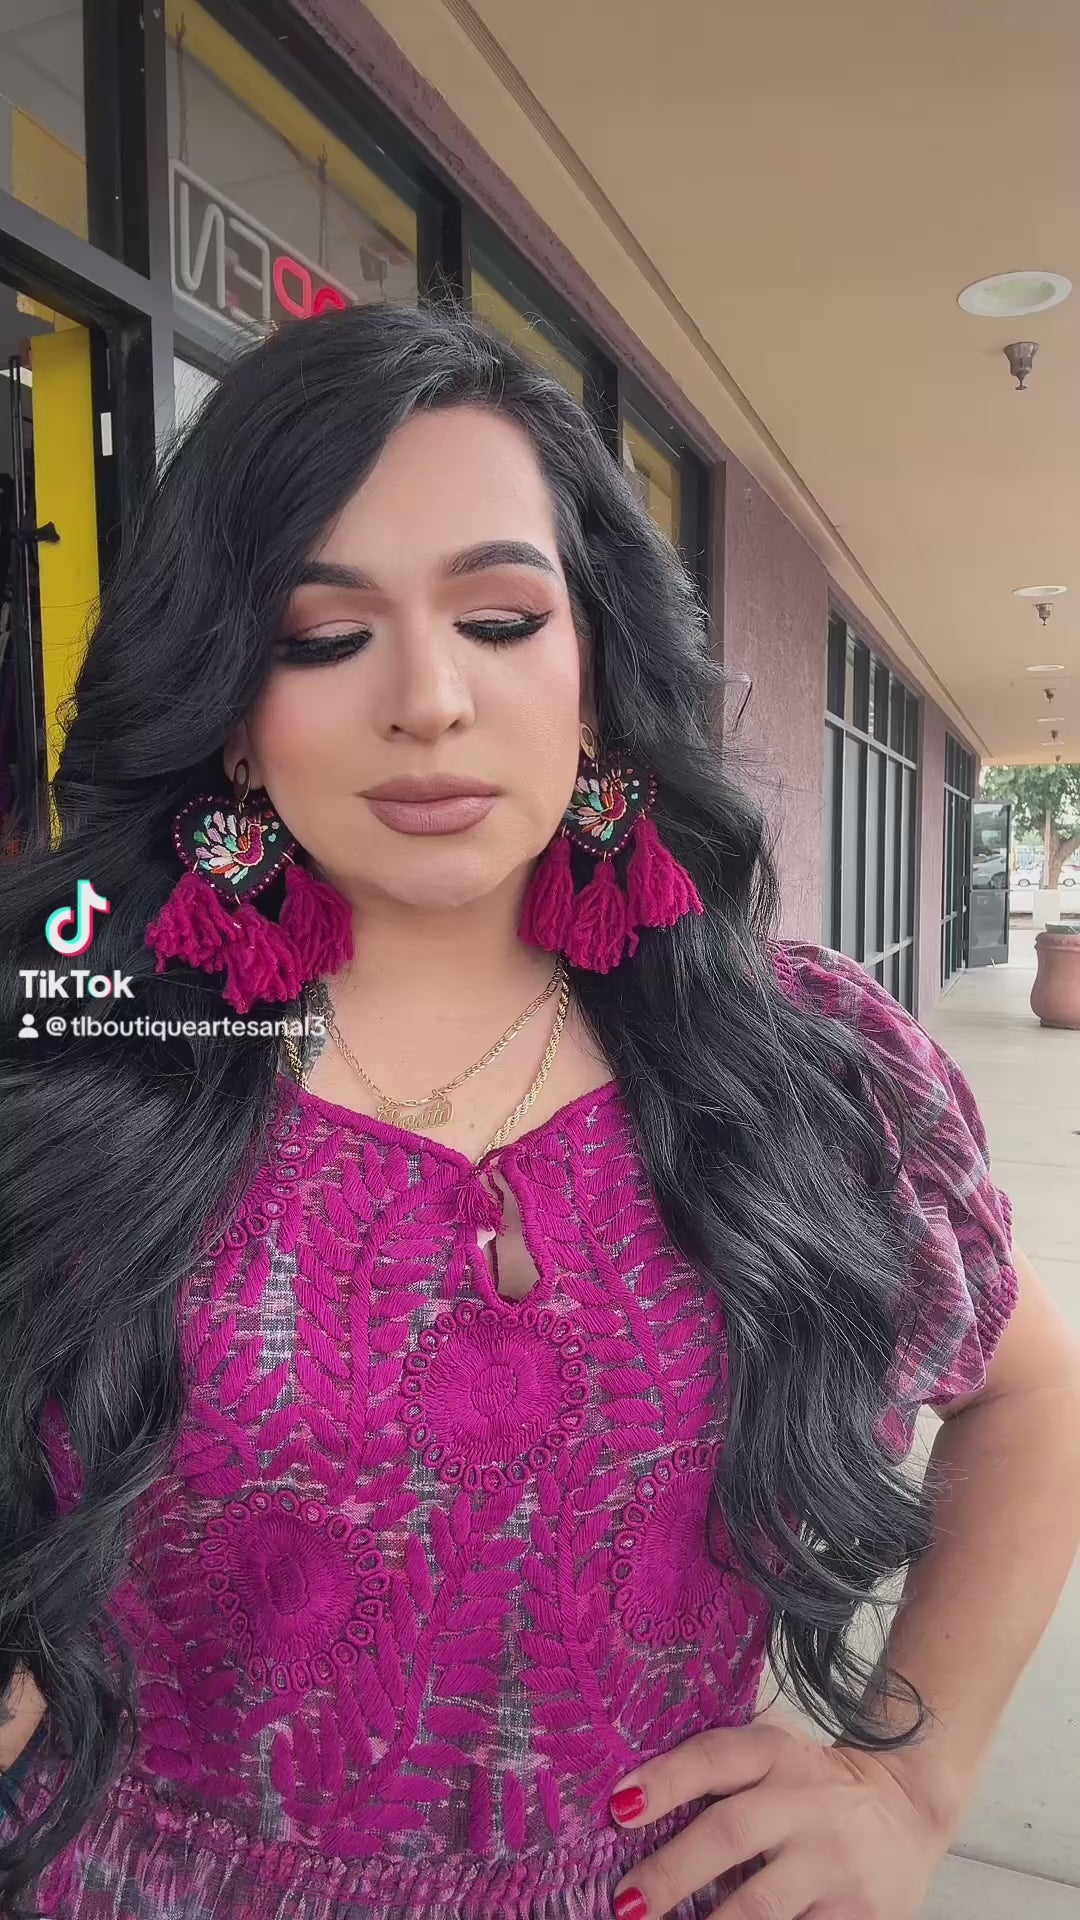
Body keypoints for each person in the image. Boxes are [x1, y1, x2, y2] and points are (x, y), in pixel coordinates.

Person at [0, 301, 1078, 1920]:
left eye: (501, 619)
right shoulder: (72, 1056)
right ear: (231, 711)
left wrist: (910, 1784)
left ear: (595, 672)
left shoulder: (795, 1063)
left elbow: (1032, 1392)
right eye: (322, 636)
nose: (428, 699)